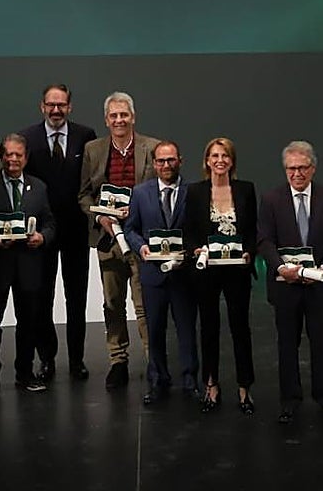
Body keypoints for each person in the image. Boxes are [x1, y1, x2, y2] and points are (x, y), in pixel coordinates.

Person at [257, 140, 323, 425]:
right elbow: (265, 240)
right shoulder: (271, 199)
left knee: (322, 344)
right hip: (286, 285)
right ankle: (290, 400)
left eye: (302, 168)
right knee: (286, 345)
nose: (297, 174)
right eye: (291, 168)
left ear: (313, 168)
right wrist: (282, 267)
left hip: (319, 285)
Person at [78, 91, 158, 390]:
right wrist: (100, 218)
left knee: (144, 305)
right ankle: (118, 361)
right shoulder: (93, 149)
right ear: (106, 120)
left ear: (133, 117)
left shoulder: (152, 147)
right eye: (114, 115)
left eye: (124, 114)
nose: (119, 120)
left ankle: (154, 362)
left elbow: (158, 190)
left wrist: (137, 213)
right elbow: (84, 194)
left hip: (141, 238)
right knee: (112, 304)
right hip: (107, 238)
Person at [20, 83, 97, 382]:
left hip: (76, 230)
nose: (56, 110)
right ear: (42, 106)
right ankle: (47, 358)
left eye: (61, 105)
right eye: (51, 105)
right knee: (42, 299)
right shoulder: (28, 137)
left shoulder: (85, 136)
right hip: (41, 234)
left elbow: (89, 182)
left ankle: (77, 360)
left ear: (70, 107)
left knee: (76, 298)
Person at [183, 137, 257, 415]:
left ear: (232, 160)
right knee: (209, 328)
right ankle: (211, 386)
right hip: (207, 271)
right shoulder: (195, 191)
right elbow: (189, 231)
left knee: (241, 329)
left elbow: (252, 230)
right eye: (214, 156)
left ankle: (244, 389)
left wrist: (249, 252)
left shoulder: (246, 189)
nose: (219, 161)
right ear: (207, 161)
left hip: (237, 270)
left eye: (225, 156)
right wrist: (196, 249)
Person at [0, 134, 56, 396]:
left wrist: (42, 237)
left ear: (26, 158)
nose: (13, 159)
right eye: (8, 155)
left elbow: (50, 223)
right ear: (1, 157)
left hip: (29, 266)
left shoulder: (40, 187)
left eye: (18, 155)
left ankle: (25, 372)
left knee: (29, 322)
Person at [124, 140, 198, 405]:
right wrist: (141, 248)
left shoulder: (194, 192)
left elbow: (197, 231)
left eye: (171, 160)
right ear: (154, 164)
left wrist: (190, 252)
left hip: (184, 274)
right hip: (153, 273)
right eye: (161, 161)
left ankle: (190, 380)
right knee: (154, 330)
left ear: (180, 161)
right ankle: (157, 380)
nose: (166, 165)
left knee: (187, 329)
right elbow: (129, 229)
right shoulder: (140, 193)